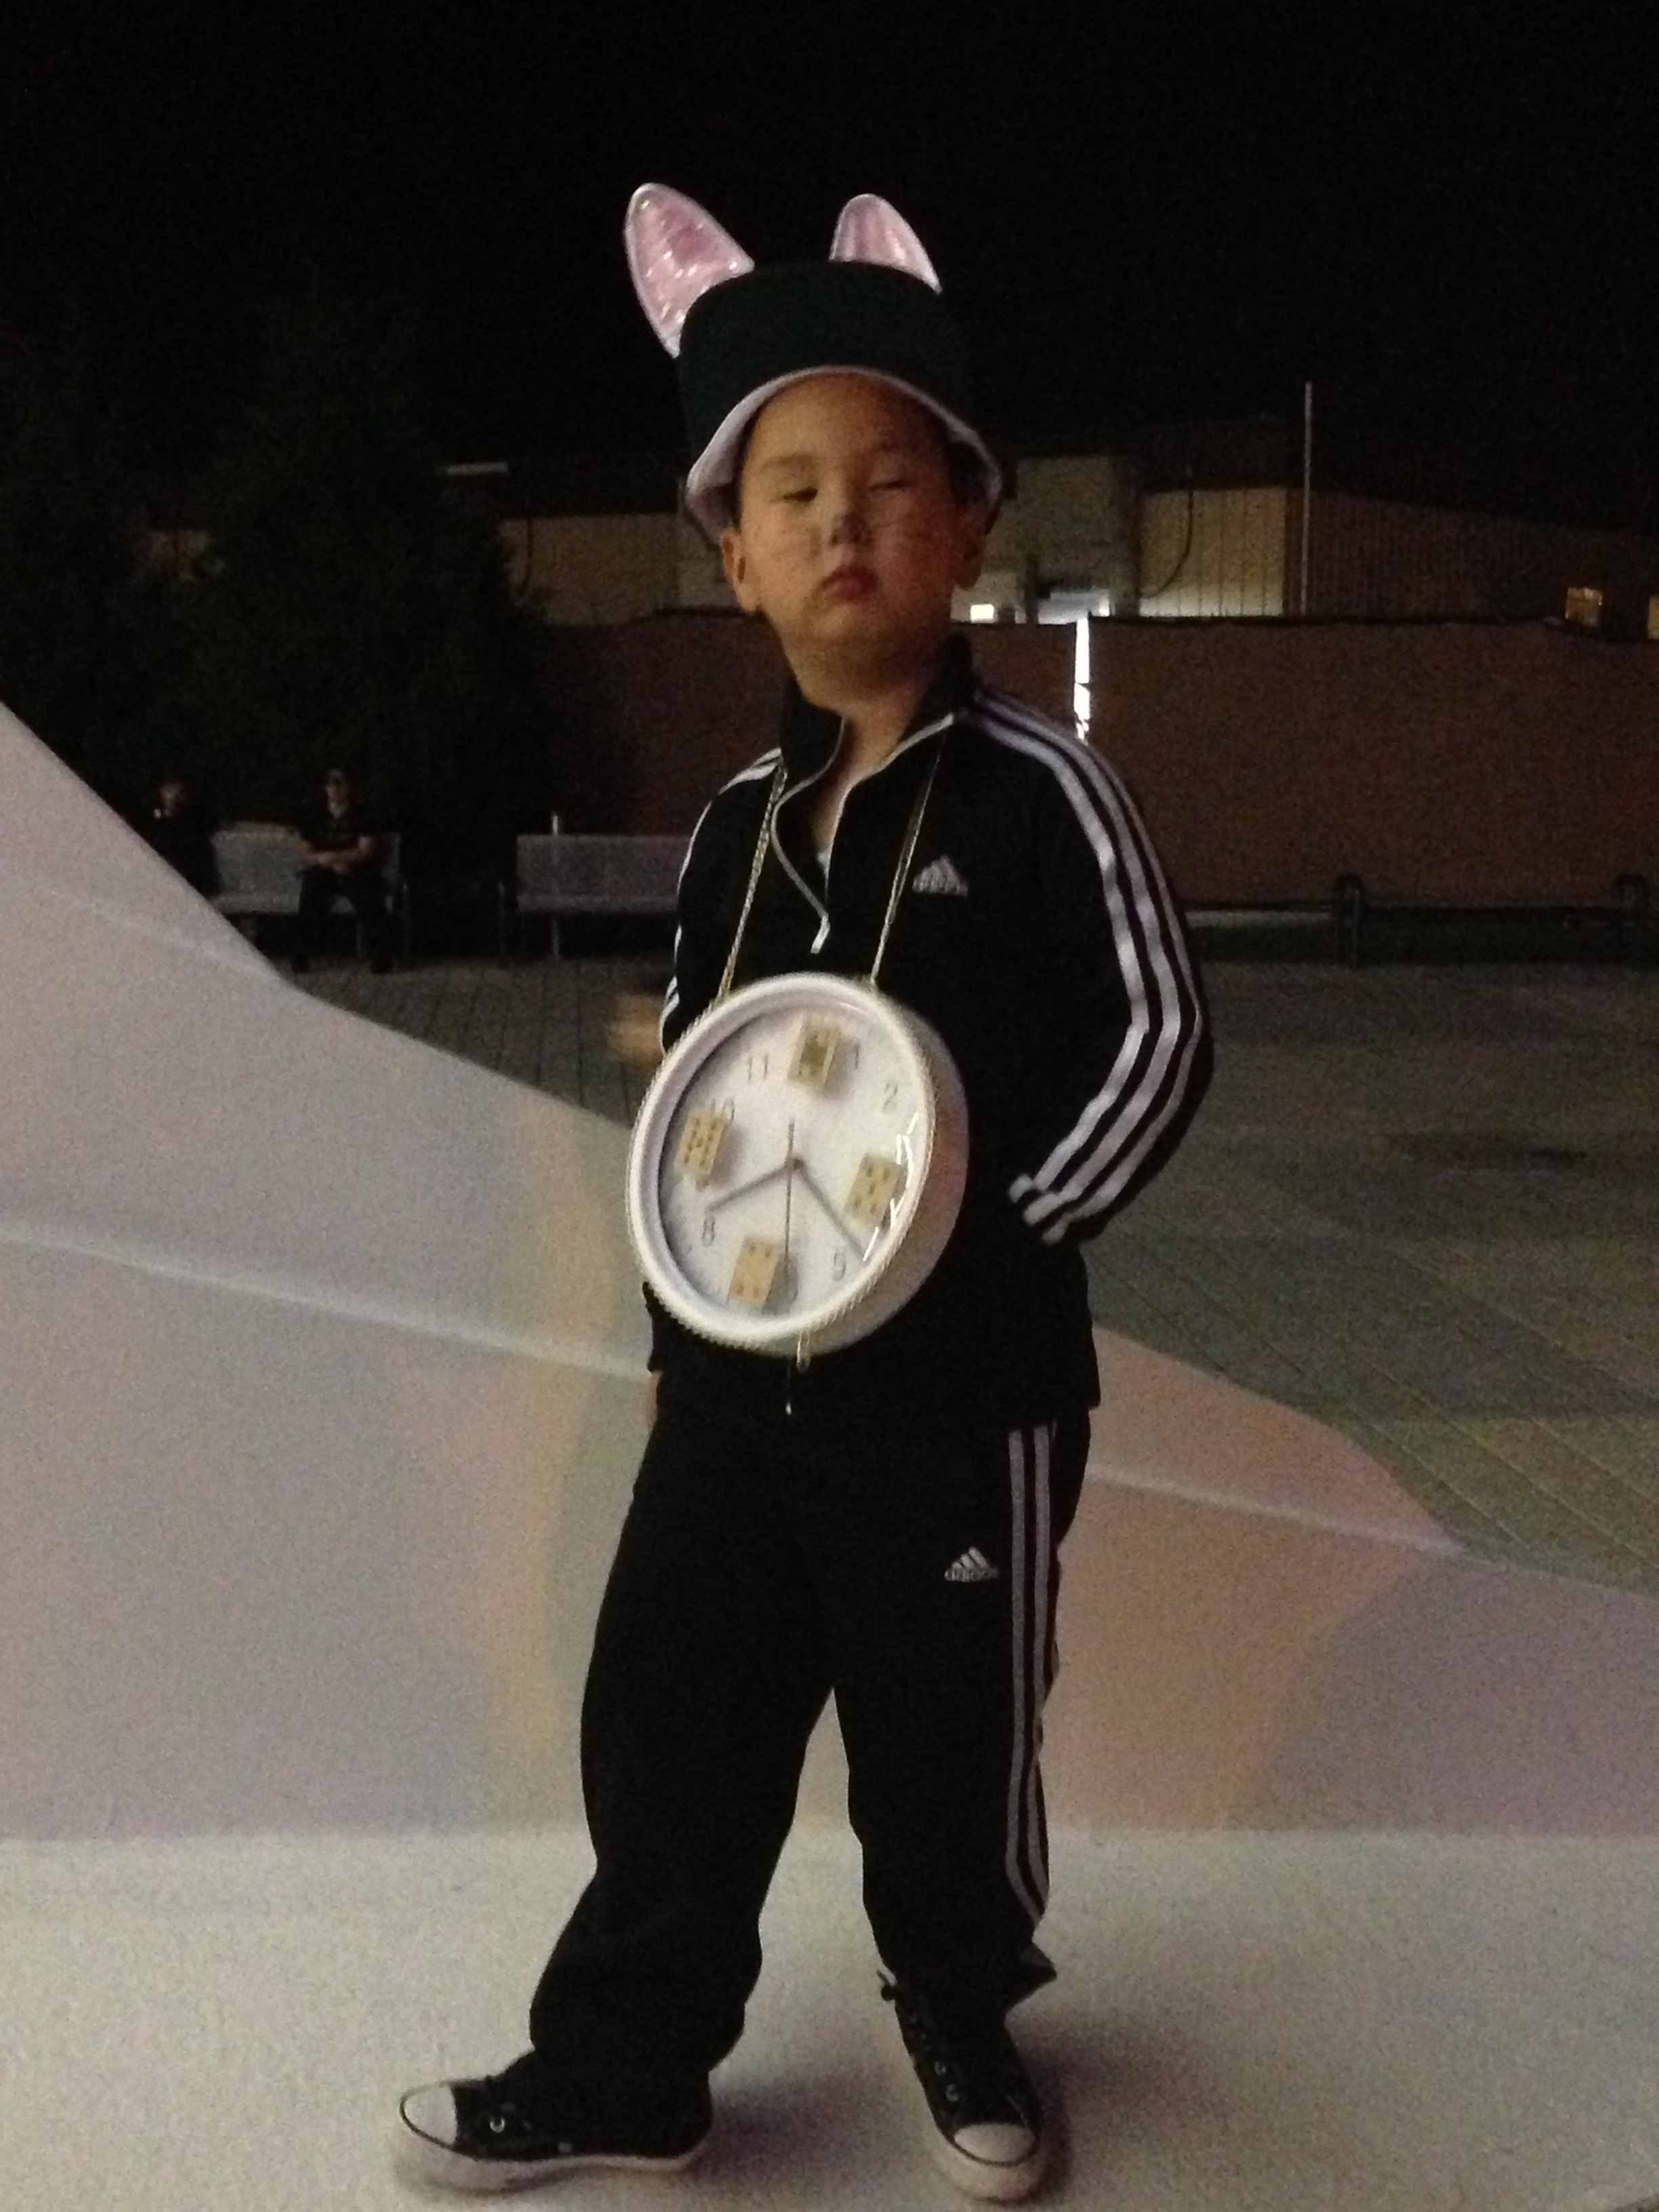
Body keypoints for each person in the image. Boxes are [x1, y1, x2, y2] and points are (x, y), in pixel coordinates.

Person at [396, 185, 1211, 2203]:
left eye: (890, 482)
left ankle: (962, 2002)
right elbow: (695, 1095)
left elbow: (1160, 1035)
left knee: (948, 1749)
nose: (844, 520)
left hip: (966, 1402)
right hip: (737, 1397)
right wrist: (679, 1329)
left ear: (969, 520)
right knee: (666, 1717)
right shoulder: (736, 835)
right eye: (794, 492)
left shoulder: (1045, 795)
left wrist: (1008, 1234)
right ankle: (627, 2062)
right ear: (736, 554)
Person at [291, 767, 394, 974]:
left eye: (339, 784)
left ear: (348, 788)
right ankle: (301, 955)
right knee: (312, 894)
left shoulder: (363, 814)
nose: (335, 789)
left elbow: (365, 850)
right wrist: (325, 860)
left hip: (355, 867)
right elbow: (304, 851)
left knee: (368, 899)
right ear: (325, 789)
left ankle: (381, 955)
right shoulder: (315, 814)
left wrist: (340, 859)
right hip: (324, 867)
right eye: (331, 784)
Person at [142, 775, 218, 899]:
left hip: (190, 876)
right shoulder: (154, 818)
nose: (173, 796)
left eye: (178, 792)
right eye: (168, 790)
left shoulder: (195, 820)